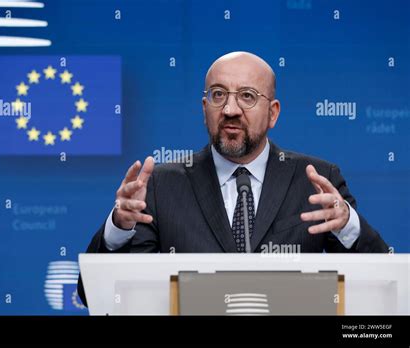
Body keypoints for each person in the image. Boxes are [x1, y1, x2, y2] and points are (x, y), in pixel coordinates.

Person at [77, 51, 388, 306]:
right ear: (204, 109)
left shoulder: (317, 180)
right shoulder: (160, 185)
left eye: (248, 96)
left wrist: (348, 224)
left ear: (273, 112)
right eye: (218, 95)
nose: (229, 109)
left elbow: (379, 285)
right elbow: (94, 295)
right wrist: (119, 227)